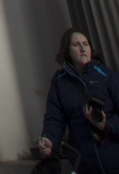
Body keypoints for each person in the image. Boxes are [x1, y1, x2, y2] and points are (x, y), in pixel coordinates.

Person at [40, 29, 119, 171]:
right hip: (84, 162)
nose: (82, 48)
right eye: (76, 44)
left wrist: (106, 125)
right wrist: (49, 139)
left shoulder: (107, 76)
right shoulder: (59, 81)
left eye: (85, 44)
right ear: (67, 51)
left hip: (114, 159)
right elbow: (55, 117)